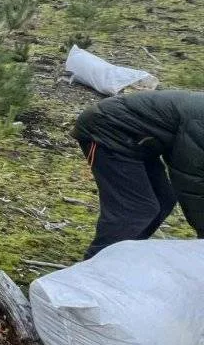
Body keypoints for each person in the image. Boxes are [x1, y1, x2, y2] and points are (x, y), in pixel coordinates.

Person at [73, 90, 204, 259]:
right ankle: (93, 267)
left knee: (163, 199)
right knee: (136, 210)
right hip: (106, 130)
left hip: (137, 142)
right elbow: (190, 179)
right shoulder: (200, 124)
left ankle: (122, 257)